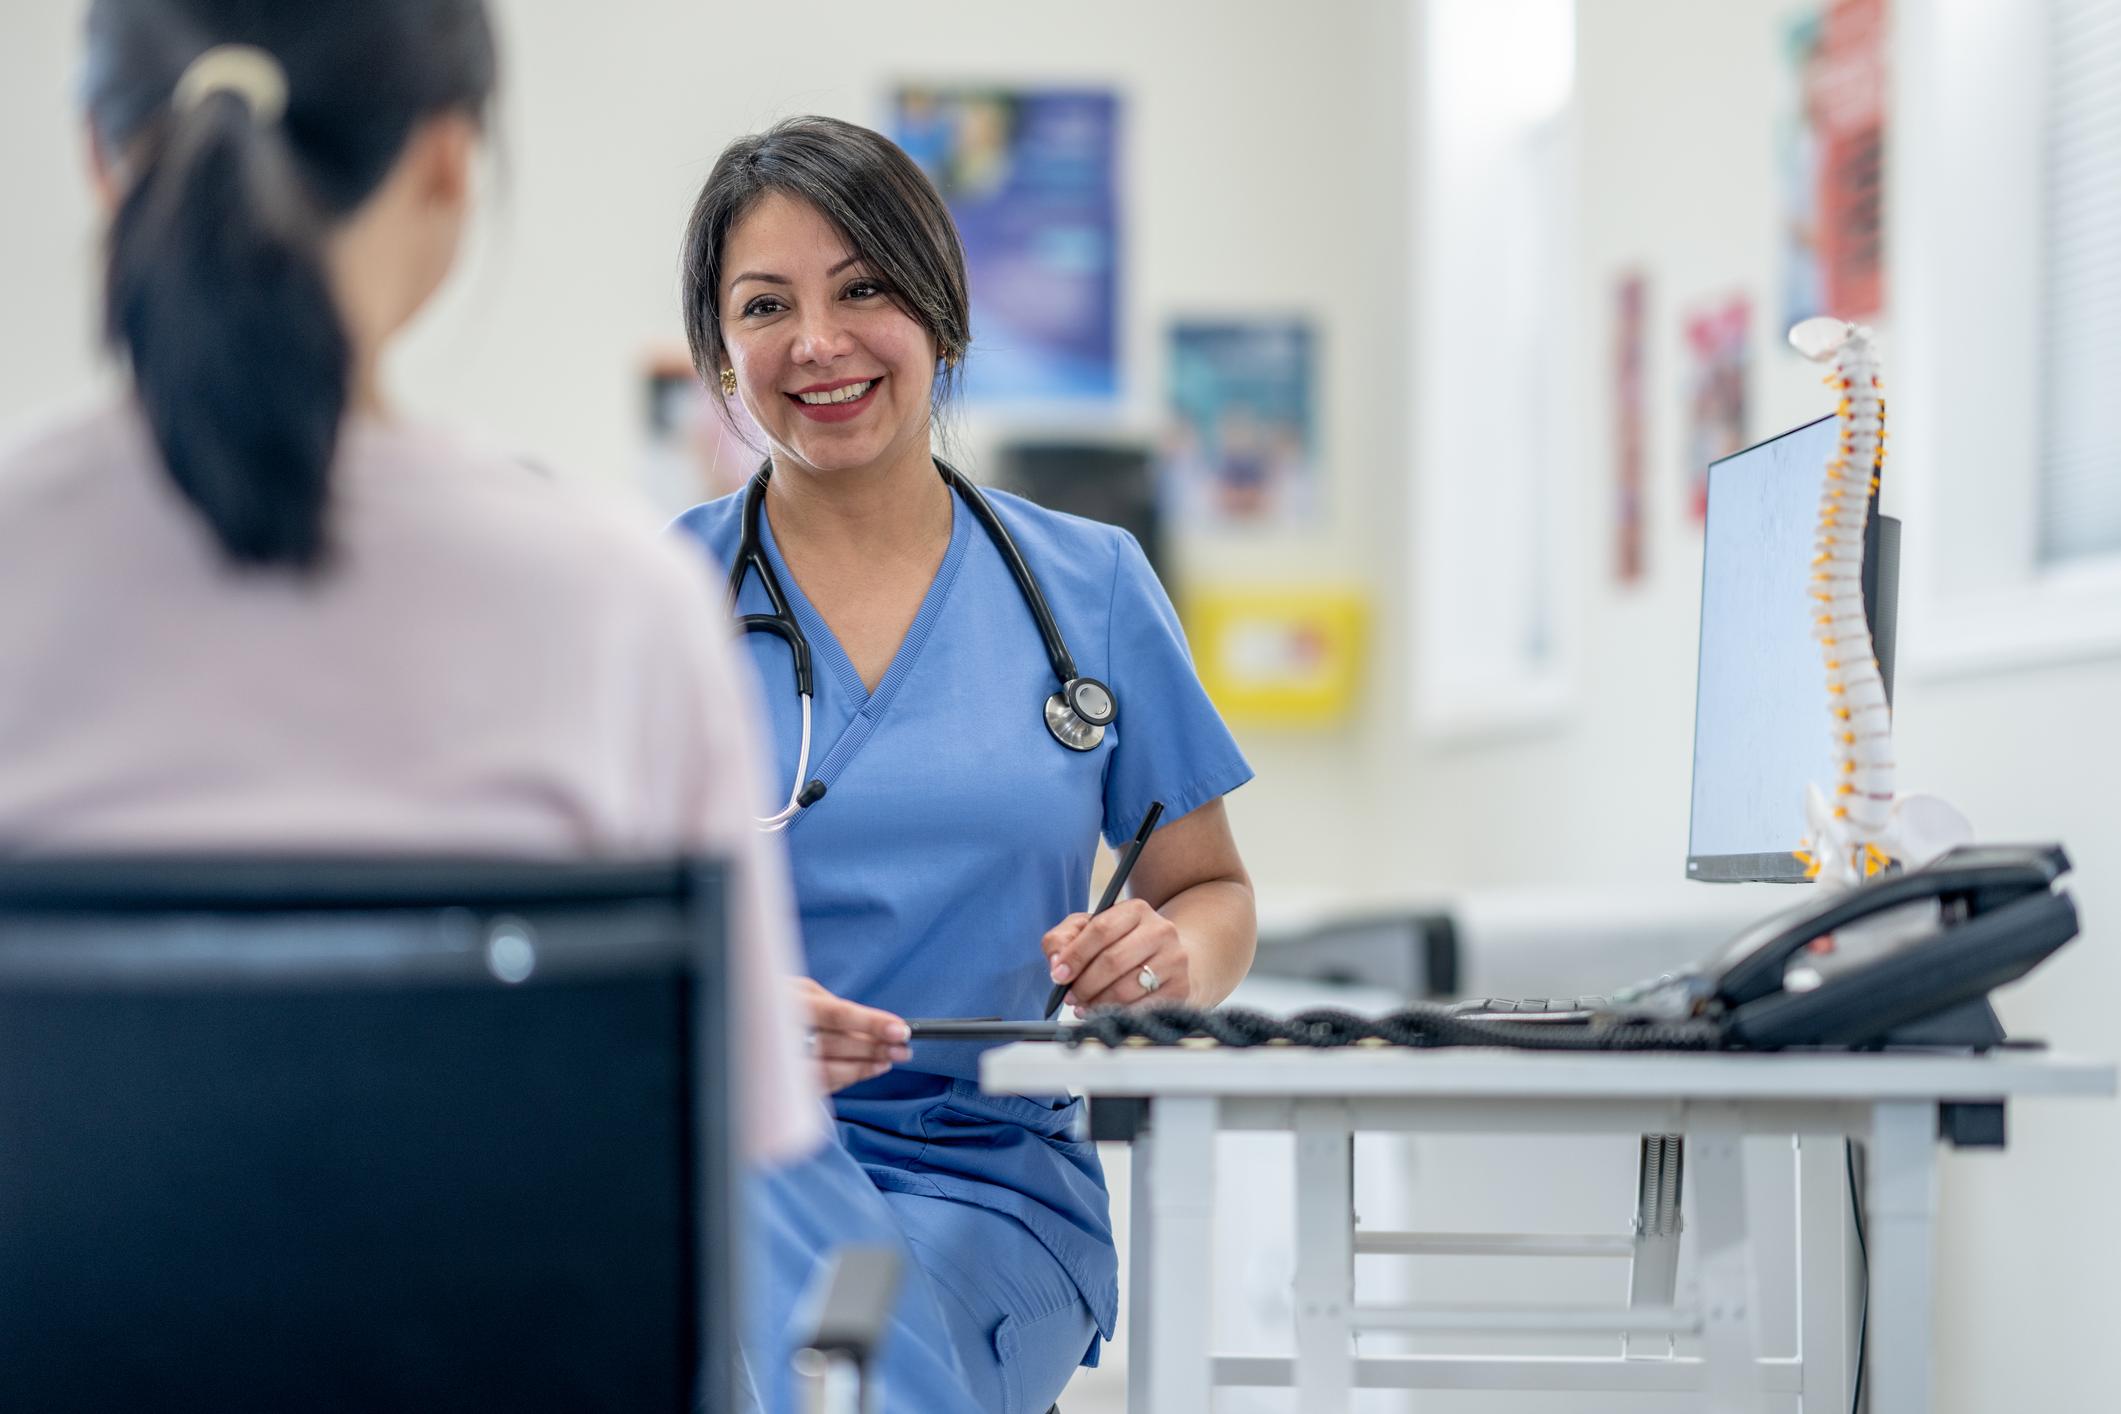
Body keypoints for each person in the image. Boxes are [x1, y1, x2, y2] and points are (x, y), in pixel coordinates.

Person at [0, 0, 818, 1180]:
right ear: (448, 157)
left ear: (98, 153)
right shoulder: (619, 604)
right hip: (503, 1363)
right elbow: (720, 1144)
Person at [671, 115, 1258, 1413]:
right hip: (726, 1157)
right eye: (766, 304)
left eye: (863, 286)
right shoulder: (654, 601)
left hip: (986, 1184)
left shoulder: (1088, 587)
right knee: (792, 1321)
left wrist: (1169, 960)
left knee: (833, 1348)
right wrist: (725, 1012)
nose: (818, 343)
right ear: (723, 352)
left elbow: (1207, 889)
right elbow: (575, 934)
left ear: (939, 307)